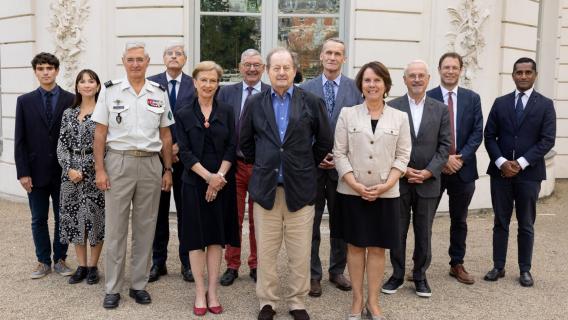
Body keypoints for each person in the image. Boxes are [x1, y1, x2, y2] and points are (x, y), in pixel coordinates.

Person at [240, 47, 333, 320]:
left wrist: (304, 164)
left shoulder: (311, 102)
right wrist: (265, 162)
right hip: (266, 189)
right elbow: (245, 143)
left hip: (300, 188)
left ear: (295, 70)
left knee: (299, 252)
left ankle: (296, 301)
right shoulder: (255, 103)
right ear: (268, 72)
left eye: (286, 68)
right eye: (276, 68)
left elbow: (325, 141)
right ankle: (267, 302)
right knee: (266, 252)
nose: (281, 72)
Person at [92, 41, 174, 309]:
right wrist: (100, 169)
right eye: (131, 59)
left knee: (145, 227)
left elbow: (165, 135)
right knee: (115, 228)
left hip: (151, 164)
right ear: (123, 61)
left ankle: (138, 284)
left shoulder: (159, 92)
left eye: (140, 59)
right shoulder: (111, 90)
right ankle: (113, 287)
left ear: (148, 62)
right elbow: (100, 133)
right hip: (119, 162)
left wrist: (168, 169)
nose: (136, 64)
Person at [333, 61, 411, 320]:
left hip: (386, 194)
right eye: (367, 80)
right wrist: (355, 183)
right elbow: (339, 153)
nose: (372, 85)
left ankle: (373, 302)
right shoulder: (347, 114)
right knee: (355, 247)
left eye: (377, 80)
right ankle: (357, 300)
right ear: (361, 85)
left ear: (386, 85)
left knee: (378, 248)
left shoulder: (399, 117)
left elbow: (403, 156)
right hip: (352, 192)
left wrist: (387, 184)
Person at [483, 57, 556, 287]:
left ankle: (525, 269)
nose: (523, 76)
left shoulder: (545, 104)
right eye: (519, 72)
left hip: (529, 174)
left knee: (526, 223)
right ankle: (498, 266)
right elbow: (489, 136)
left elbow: (547, 140)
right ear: (513, 75)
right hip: (501, 174)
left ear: (534, 75)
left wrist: (521, 163)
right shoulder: (500, 102)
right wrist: (502, 162)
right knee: (500, 221)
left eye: (527, 72)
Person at [175, 61, 239, 316]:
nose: (208, 85)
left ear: (217, 84)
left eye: (213, 81)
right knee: (195, 241)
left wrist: (219, 177)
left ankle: (213, 291)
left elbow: (231, 147)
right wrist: (208, 178)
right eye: (204, 80)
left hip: (222, 183)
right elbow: (186, 153)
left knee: (215, 241)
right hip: (193, 183)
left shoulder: (227, 110)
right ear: (195, 82)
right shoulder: (182, 113)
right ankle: (199, 292)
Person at [381, 60, 451, 298]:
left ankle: (420, 275)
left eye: (421, 75)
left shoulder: (440, 109)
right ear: (405, 80)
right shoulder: (392, 107)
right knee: (397, 230)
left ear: (428, 79)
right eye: (412, 75)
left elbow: (445, 146)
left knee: (424, 232)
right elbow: (386, 145)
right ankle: (397, 275)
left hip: (429, 181)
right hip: (399, 180)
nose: (417, 79)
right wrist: (404, 170)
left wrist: (430, 171)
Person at [300, 37, 363, 297]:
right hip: (313, 167)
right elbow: (300, 127)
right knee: (310, 223)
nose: (333, 57)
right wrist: (319, 154)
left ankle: (337, 270)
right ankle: (313, 274)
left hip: (344, 168)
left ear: (344, 58)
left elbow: (358, 128)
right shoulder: (305, 88)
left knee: (341, 222)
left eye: (338, 53)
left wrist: (338, 156)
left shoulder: (355, 89)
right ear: (321, 56)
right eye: (328, 53)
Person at [15, 52, 75, 279]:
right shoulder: (24, 101)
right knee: (38, 218)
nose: (45, 72)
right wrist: (23, 173)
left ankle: (60, 259)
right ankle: (42, 261)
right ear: (36, 72)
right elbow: (20, 140)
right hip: (35, 172)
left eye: (49, 68)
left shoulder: (71, 100)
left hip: (64, 171)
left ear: (57, 71)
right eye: (41, 68)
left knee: (64, 217)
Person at [427, 52, 483, 285]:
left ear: (460, 70)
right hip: (434, 170)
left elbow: (477, 132)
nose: (450, 71)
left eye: (454, 67)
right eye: (446, 67)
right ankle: (421, 263)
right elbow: (424, 135)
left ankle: (456, 263)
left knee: (459, 219)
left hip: (464, 168)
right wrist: (444, 160)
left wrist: (459, 158)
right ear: (439, 70)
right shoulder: (427, 97)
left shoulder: (472, 98)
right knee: (425, 219)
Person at [217, 49, 270, 286]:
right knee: (233, 217)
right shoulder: (226, 92)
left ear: (264, 68)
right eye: (247, 64)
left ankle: (257, 264)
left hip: (261, 167)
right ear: (240, 67)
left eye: (257, 65)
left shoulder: (271, 93)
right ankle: (232, 264)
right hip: (233, 165)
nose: (251, 69)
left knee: (259, 219)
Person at [147, 41, 195, 283]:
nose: (174, 57)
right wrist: (164, 146)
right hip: (157, 157)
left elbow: (196, 120)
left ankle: (187, 263)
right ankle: (158, 262)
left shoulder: (193, 84)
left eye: (179, 54)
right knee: (158, 212)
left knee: (186, 213)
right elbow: (146, 119)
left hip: (185, 159)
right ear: (163, 58)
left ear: (185, 59)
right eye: (170, 53)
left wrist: (179, 147)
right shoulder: (151, 83)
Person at [57, 69, 105, 285]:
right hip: (70, 174)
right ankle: (82, 266)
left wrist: (92, 169)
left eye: (91, 81)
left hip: (96, 173)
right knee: (74, 219)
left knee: (95, 220)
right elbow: (61, 145)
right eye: (82, 81)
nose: (87, 85)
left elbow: (108, 145)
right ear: (77, 86)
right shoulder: (68, 113)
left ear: (97, 86)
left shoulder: (104, 112)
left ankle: (94, 267)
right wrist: (69, 169)